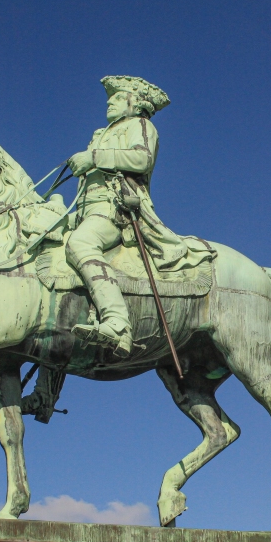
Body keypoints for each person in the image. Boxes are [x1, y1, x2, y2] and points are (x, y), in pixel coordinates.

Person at [65, 76, 212, 358]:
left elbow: (142, 159)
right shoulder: (102, 133)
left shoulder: (141, 126)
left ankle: (118, 323)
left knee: (80, 244)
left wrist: (94, 157)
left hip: (113, 211)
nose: (110, 101)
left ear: (136, 103)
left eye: (118, 97)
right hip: (84, 210)